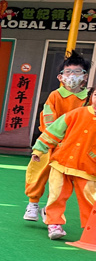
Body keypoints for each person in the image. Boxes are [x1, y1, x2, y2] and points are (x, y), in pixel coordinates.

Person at [24, 51, 90, 222]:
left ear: (85, 76)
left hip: (73, 147)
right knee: (38, 171)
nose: (72, 76)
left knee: (61, 181)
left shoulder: (89, 98)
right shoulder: (55, 95)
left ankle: (50, 210)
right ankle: (33, 203)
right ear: (60, 77)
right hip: (51, 142)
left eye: (77, 71)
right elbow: (48, 119)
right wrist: (53, 140)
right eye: (68, 72)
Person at [31, 85, 96, 240]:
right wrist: (39, 149)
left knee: (90, 199)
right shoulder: (76, 113)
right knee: (56, 195)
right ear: (91, 96)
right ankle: (54, 224)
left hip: (87, 167)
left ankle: (91, 228)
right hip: (61, 162)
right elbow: (54, 131)